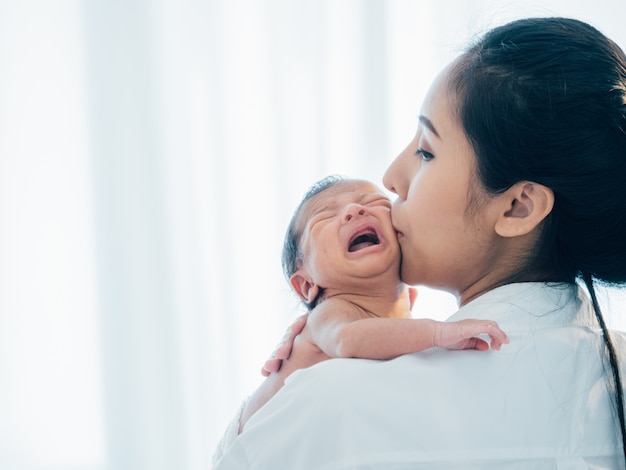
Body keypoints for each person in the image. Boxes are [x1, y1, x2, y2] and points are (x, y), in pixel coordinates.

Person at [214, 17, 626, 469]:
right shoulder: (614, 378)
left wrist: (276, 389)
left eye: (426, 151)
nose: (391, 178)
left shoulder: (332, 405)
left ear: (517, 208)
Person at [212, 175, 509, 459]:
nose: (355, 210)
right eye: (325, 217)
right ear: (306, 284)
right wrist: (437, 333)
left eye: (372, 201)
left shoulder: (398, 324)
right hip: (244, 443)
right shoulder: (332, 313)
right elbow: (348, 339)